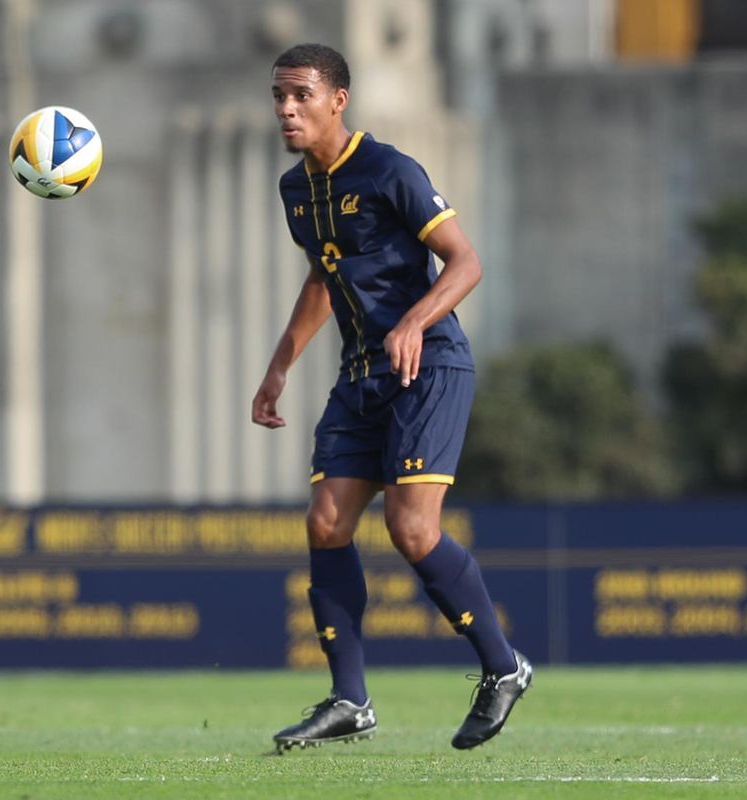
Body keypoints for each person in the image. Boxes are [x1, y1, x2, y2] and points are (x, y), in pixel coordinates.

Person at [252, 43, 532, 753]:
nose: (287, 108)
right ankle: (350, 699)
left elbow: (465, 261)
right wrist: (281, 364)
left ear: (337, 100)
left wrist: (415, 319)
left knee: (411, 530)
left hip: (428, 364)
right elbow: (324, 276)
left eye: (301, 95)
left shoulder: (390, 171)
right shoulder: (295, 190)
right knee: (325, 521)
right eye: (280, 95)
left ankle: (504, 669)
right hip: (360, 374)